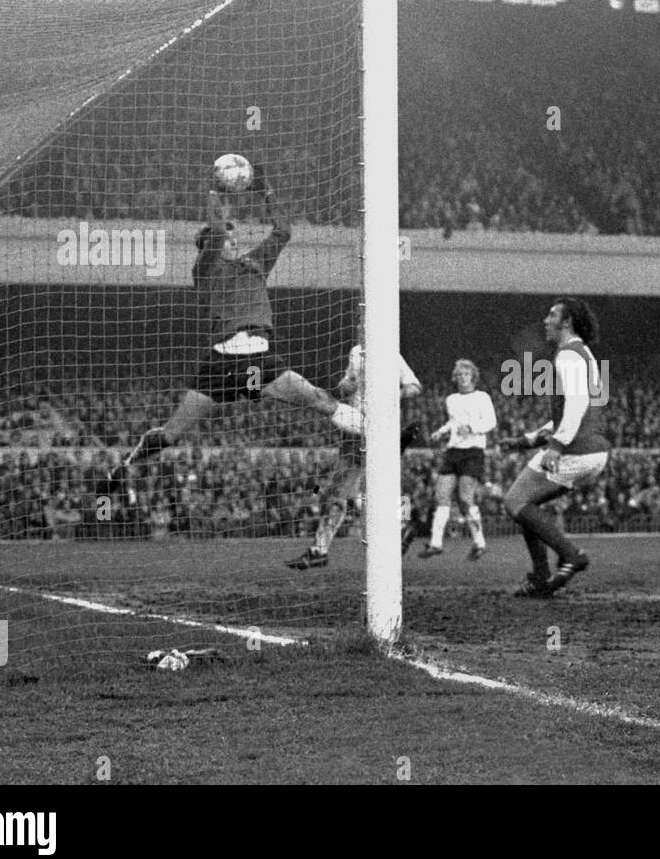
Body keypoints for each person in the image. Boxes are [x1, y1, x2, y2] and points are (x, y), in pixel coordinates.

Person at [102, 164, 358, 498]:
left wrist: (265, 191)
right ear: (207, 244)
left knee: (321, 402)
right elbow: (219, 232)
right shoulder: (206, 269)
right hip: (222, 361)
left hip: (254, 357)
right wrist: (216, 192)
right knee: (171, 432)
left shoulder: (254, 264)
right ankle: (125, 467)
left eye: (232, 235)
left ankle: (377, 440)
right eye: (224, 235)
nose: (231, 238)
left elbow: (283, 231)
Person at [502, 298, 610, 598]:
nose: (545, 320)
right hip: (591, 449)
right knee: (525, 505)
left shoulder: (568, 357)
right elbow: (573, 411)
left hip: (578, 449)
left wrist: (557, 446)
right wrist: (529, 440)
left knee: (514, 501)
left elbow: (576, 406)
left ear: (566, 322)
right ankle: (541, 575)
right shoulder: (582, 354)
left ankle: (571, 555)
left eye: (552, 315)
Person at [285, 343, 422, 569]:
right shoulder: (356, 351)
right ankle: (322, 548)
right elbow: (347, 384)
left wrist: (395, 392)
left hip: (374, 425)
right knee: (342, 491)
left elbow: (415, 385)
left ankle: (320, 549)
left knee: (345, 491)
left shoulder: (389, 352)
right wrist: (345, 386)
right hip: (354, 425)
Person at [418, 359, 496, 561]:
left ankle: (479, 542)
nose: (462, 378)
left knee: (465, 499)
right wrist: (441, 431)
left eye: (466, 374)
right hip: (453, 451)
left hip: (473, 451)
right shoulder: (451, 399)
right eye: (459, 375)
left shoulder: (482, 397)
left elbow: (490, 422)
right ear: (455, 378)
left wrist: (471, 428)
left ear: (473, 376)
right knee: (441, 496)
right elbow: (453, 422)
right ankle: (435, 543)